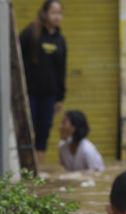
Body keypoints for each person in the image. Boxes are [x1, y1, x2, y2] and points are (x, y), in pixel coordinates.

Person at [19, 0, 66, 164]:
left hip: (49, 94)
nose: (57, 16)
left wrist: (60, 97)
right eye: (53, 12)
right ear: (45, 13)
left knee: (44, 128)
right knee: (28, 127)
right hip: (30, 93)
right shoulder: (31, 33)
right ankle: (24, 164)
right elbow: (15, 61)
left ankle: (39, 164)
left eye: (60, 13)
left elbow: (61, 71)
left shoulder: (60, 40)